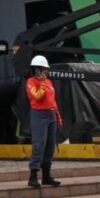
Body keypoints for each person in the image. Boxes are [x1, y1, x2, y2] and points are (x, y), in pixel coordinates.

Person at [26, 55, 62, 189]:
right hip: (39, 115)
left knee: (50, 146)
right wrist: (41, 83)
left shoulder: (49, 82)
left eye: (45, 69)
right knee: (39, 144)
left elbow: (53, 101)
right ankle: (33, 176)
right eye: (43, 69)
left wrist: (58, 116)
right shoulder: (30, 82)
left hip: (51, 115)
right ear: (37, 69)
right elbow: (37, 97)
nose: (45, 71)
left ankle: (46, 176)